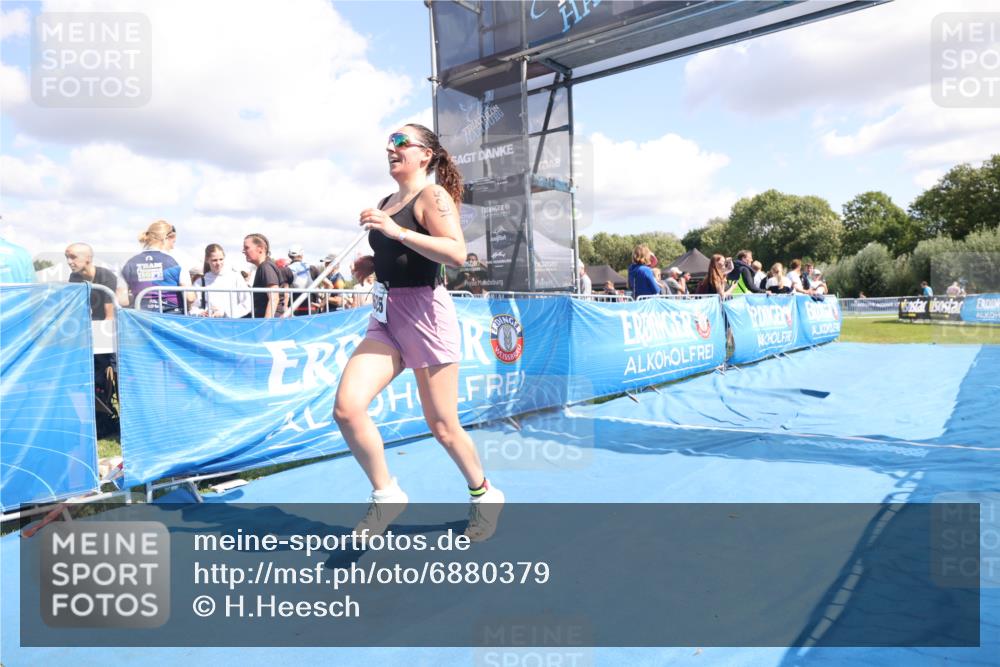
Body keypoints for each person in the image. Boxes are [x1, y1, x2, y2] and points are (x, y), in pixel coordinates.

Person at [333, 123, 503, 542]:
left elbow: (456, 253)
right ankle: (386, 492)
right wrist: (372, 265)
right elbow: (403, 255)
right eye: (389, 143)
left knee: (443, 426)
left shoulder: (434, 196)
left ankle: (484, 493)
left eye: (401, 142)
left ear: (425, 155)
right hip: (387, 314)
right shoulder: (386, 200)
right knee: (348, 408)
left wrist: (395, 231)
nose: (391, 148)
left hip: (427, 315)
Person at [119, 220, 195, 313]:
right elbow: (190, 297)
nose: (172, 247)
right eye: (173, 242)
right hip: (172, 321)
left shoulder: (127, 262)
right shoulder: (178, 261)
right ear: (167, 238)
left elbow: (122, 300)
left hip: (141, 320)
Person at [192, 244, 251, 318]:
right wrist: (201, 312)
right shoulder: (200, 282)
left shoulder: (236, 277)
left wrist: (225, 313)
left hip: (233, 324)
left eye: (221, 259)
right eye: (214, 260)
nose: (218, 263)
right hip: (210, 325)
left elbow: (247, 304)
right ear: (207, 260)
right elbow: (193, 308)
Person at [65, 243, 118, 320]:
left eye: (73, 257)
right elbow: (75, 309)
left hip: (112, 322)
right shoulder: (74, 277)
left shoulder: (106, 276)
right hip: (93, 319)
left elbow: (110, 317)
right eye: (67, 257)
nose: (69, 262)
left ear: (88, 258)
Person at [242, 233, 282, 318]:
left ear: (260, 249)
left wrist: (266, 325)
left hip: (269, 323)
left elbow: (274, 298)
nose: (243, 251)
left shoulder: (266, 267)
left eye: (247, 248)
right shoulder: (264, 266)